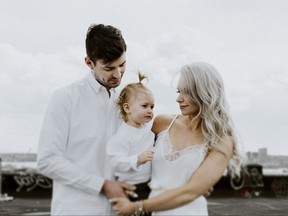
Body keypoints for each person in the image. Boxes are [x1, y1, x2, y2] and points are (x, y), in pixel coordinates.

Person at [110, 61, 243, 215]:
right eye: (179, 91)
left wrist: (136, 207)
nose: (179, 99)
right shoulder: (162, 123)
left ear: (204, 92)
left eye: (186, 92)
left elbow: (191, 192)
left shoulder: (222, 140)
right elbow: (133, 156)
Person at [37, 24, 136, 215]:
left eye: (122, 64)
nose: (117, 74)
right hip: (76, 210)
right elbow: (47, 160)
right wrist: (102, 185)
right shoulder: (65, 98)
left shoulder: (129, 101)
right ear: (89, 63)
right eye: (109, 68)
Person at [106, 72, 155, 204]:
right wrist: (137, 159)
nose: (150, 110)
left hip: (147, 184)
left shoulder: (148, 129)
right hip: (130, 187)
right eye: (144, 106)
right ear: (127, 108)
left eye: (152, 107)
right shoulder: (122, 135)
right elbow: (116, 162)